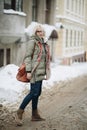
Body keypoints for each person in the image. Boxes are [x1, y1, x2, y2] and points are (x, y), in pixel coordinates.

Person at [16, 24, 51, 126]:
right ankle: (19, 112)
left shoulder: (43, 43)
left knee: (37, 92)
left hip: (41, 72)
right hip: (34, 72)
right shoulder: (33, 42)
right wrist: (28, 71)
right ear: (35, 33)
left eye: (42, 31)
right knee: (33, 93)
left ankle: (34, 115)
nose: (41, 33)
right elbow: (27, 57)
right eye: (38, 31)